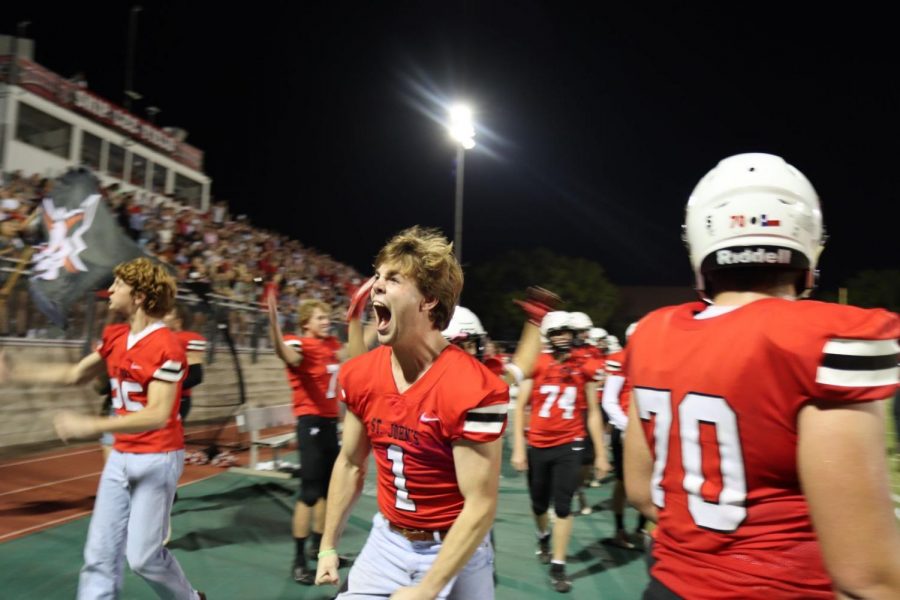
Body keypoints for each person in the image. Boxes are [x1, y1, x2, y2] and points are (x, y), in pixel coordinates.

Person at [624, 153, 900, 599]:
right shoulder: (821, 337)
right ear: (808, 240)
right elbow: (866, 573)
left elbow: (640, 490)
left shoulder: (654, 332)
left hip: (669, 585)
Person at [315, 226, 553, 599]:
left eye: (393, 278)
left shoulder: (474, 386)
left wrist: (427, 589)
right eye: (377, 275)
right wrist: (329, 544)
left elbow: (480, 504)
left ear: (428, 300)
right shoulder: (362, 374)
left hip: (456, 548)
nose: (376, 285)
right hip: (386, 540)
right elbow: (349, 463)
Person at [0, 257, 205, 600]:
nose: (110, 291)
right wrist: (16, 372)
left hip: (157, 457)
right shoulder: (115, 335)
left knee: (143, 558)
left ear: (139, 296)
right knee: (99, 551)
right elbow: (74, 374)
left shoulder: (167, 346)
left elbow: (157, 414)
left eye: (119, 285)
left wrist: (91, 424)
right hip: (122, 454)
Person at [267, 286, 373, 584]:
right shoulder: (299, 343)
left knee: (329, 491)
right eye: (320, 317)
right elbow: (284, 352)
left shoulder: (329, 344)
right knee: (310, 493)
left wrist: (370, 320)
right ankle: (298, 558)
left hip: (328, 424)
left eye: (327, 316)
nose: (326, 320)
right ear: (305, 323)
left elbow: (356, 352)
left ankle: (318, 547)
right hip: (310, 423)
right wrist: (274, 326)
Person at [511, 311, 610, 593]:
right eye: (556, 332)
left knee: (564, 506)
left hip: (570, 442)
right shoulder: (538, 363)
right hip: (539, 443)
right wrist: (519, 447)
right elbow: (520, 407)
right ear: (548, 336)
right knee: (539, 504)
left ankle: (559, 564)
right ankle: (542, 535)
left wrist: (601, 453)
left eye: (566, 332)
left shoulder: (585, 365)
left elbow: (592, 412)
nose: (562, 337)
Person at [600, 321, 647, 549]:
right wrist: (629, 427)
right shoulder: (620, 359)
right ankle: (619, 529)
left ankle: (641, 528)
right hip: (628, 427)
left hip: (651, 429)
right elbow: (609, 400)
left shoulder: (656, 357)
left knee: (654, 480)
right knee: (623, 481)